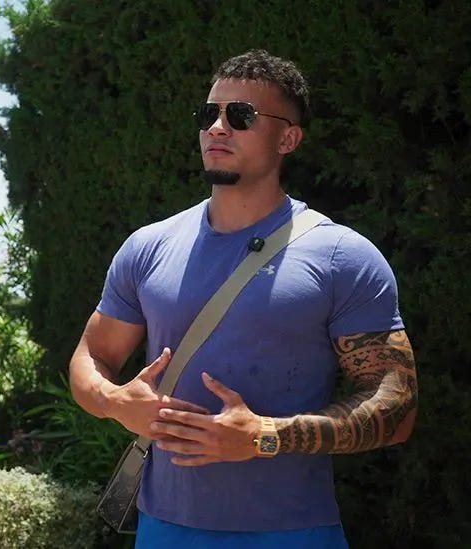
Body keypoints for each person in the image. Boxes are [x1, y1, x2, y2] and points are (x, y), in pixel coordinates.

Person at [68, 49, 417, 548]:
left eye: (241, 115)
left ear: (288, 138)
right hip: (165, 528)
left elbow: (397, 405)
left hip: (292, 532)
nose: (217, 127)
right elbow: (93, 354)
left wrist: (265, 436)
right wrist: (114, 401)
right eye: (208, 113)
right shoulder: (148, 246)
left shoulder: (342, 256)